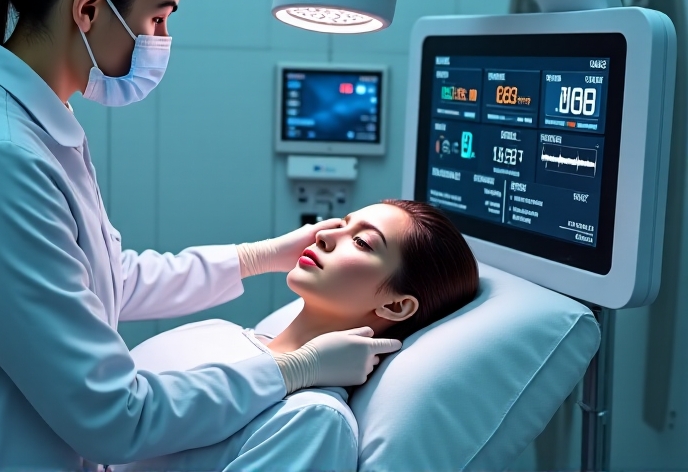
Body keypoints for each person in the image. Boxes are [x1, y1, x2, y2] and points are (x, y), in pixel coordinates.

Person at [0, 0, 401, 470]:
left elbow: (109, 280)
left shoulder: (30, 126)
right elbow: (113, 417)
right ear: (89, 8)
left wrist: (261, 256)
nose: (162, 40)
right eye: (158, 19)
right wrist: (292, 370)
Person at [116, 199, 479, 472]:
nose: (323, 234)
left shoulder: (313, 421)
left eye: (362, 242)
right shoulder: (218, 331)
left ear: (396, 306)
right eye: (342, 223)